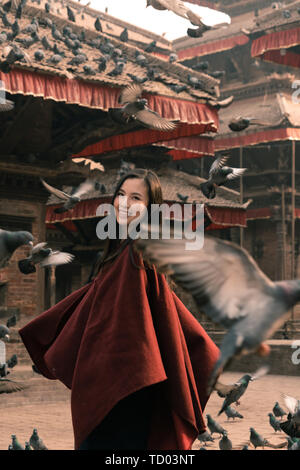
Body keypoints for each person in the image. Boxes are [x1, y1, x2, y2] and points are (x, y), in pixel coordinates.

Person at [19, 168, 220, 451]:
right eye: (121, 195)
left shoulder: (138, 252)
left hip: (127, 386)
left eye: (136, 198)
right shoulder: (120, 251)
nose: (124, 203)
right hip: (124, 383)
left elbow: (133, 325)